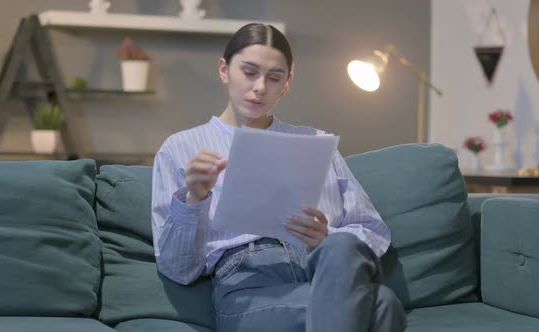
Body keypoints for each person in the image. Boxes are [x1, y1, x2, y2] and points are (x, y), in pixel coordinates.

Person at [151, 23, 406, 332]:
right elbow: (178, 269)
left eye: (274, 78)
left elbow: (373, 229)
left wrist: (326, 240)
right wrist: (194, 198)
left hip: (319, 271)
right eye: (249, 72)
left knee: (341, 248)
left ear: (287, 84)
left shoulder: (316, 143)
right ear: (224, 69)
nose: (260, 87)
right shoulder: (180, 149)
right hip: (247, 287)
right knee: (383, 306)